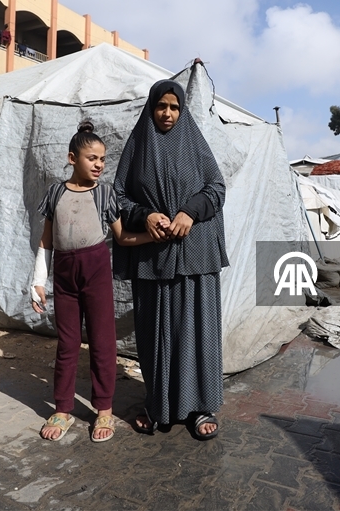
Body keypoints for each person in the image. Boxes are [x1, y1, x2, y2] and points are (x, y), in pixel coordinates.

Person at [113, 78, 228, 441]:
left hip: (196, 253)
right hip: (154, 254)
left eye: (174, 107)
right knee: (155, 332)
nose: (167, 113)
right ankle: (158, 404)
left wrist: (190, 212)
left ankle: (200, 407)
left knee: (195, 331)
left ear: (182, 110)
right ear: (151, 107)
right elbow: (119, 197)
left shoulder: (194, 142)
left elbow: (216, 188)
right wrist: (145, 214)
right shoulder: (138, 145)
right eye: (161, 106)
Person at [29, 122, 151, 443]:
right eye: (91, 158)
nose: (99, 164)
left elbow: (122, 236)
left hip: (96, 272)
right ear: (72, 158)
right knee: (67, 344)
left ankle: (104, 409)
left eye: (102, 159)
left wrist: (151, 235)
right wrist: (38, 282)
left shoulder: (105, 194)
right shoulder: (56, 192)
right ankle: (63, 408)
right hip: (65, 277)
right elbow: (46, 242)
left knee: (102, 342)